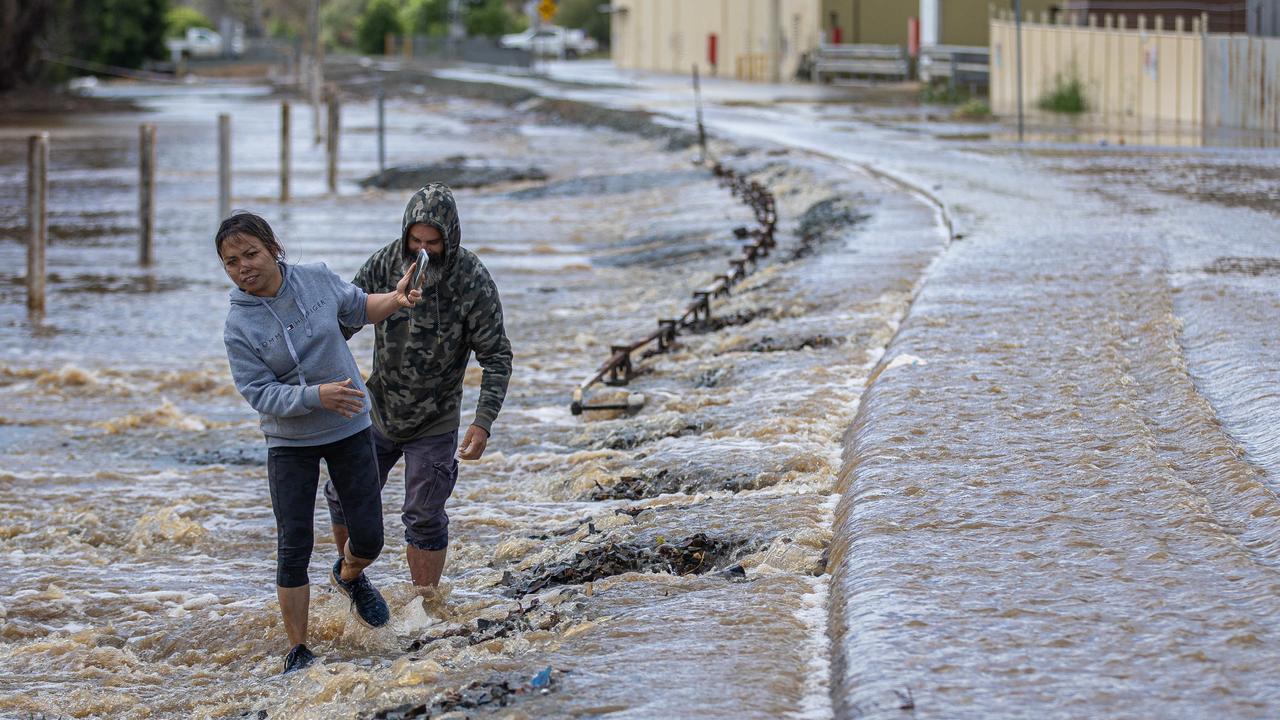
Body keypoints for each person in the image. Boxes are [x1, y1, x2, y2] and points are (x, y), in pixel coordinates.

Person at [217, 211, 422, 673]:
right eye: (231, 262)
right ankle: (299, 649)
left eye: (250, 253)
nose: (243, 266)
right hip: (288, 441)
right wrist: (315, 395)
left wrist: (396, 298)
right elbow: (259, 393)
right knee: (294, 544)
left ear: (274, 248)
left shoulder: (316, 279)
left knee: (370, 537)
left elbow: (359, 309)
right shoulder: (238, 326)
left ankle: (348, 575)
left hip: (348, 425)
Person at [326, 183, 512, 593]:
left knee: (424, 514)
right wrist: (322, 387)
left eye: (433, 242)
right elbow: (342, 324)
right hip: (376, 409)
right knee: (343, 495)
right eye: (416, 240)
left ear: (450, 237)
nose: (423, 249)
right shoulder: (385, 264)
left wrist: (483, 423)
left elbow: (496, 356)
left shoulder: (471, 279)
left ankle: (425, 604)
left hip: (435, 418)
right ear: (406, 234)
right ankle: (352, 582)